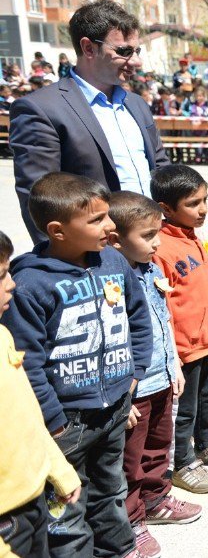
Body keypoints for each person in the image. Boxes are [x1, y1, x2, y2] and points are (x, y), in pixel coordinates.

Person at [0, 173, 153, 557]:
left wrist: (133, 375)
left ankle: (118, 550)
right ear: (58, 230)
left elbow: (138, 316)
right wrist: (55, 420)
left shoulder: (114, 261)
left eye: (107, 216)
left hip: (115, 410)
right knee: (67, 509)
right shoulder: (31, 283)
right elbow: (27, 363)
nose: (111, 226)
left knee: (111, 492)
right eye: (97, 219)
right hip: (67, 423)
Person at [10, 0, 170, 243]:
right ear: (88, 48)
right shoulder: (41, 109)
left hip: (155, 244)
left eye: (137, 51)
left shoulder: (137, 104)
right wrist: (60, 265)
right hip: (95, 255)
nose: (136, 61)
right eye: (124, 51)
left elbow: (160, 169)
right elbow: (38, 199)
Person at [108, 192, 201, 557]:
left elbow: (164, 322)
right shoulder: (111, 280)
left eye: (157, 233)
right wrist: (122, 394)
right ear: (115, 240)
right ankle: (131, 520)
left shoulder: (152, 268)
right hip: (135, 388)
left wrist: (173, 363)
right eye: (147, 236)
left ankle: (157, 499)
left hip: (161, 378)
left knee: (159, 447)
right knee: (129, 460)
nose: (157, 242)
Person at [150, 165, 208, 496]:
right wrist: (172, 354)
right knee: (183, 411)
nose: (203, 210)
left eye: (205, 200)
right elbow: (162, 307)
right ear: (166, 208)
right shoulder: (159, 248)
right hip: (186, 348)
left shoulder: (193, 236)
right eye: (193, 203)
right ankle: (183, 463)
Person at [0, 229, 82, 558]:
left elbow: (27, 416)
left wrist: (58, 470)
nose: (12, 284)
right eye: (2, 275)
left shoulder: (4, 335)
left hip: (31, 501)